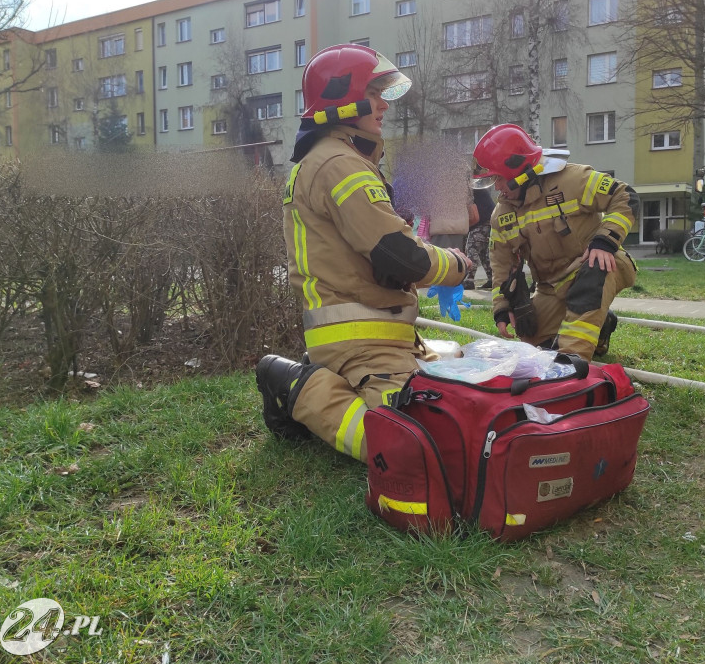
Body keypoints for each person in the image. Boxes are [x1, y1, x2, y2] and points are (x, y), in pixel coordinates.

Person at [256, 44, 472, 461]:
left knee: (461, 385)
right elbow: (398, 254)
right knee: (407, 443)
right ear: (343, 97)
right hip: (360, 342)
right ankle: (291, 383)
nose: (383, 107)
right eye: (374, 94)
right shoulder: (338, 164)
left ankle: (346, 379)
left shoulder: (341, 160)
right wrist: (456, 267)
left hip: (382, 337)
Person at [474, 123, 638, 360]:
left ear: (518, 172)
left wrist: (606, 241)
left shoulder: (572, 180)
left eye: (498, 179)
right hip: (551, 286)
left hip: (597, 265)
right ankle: (602, 324)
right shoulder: (502, 215)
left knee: (594, 273)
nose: (497, 188)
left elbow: (625, 195)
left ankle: (572, 361)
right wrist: (502, 308)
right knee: (530, 336)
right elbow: (500, 264)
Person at [463, 179, 495, 290]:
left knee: (472, 247)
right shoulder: (475, 186)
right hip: (489, 220)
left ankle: (469, 279)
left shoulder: (470, 189)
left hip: (483, 221)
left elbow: (473, 211)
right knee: (483, 251)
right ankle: (492, 278)